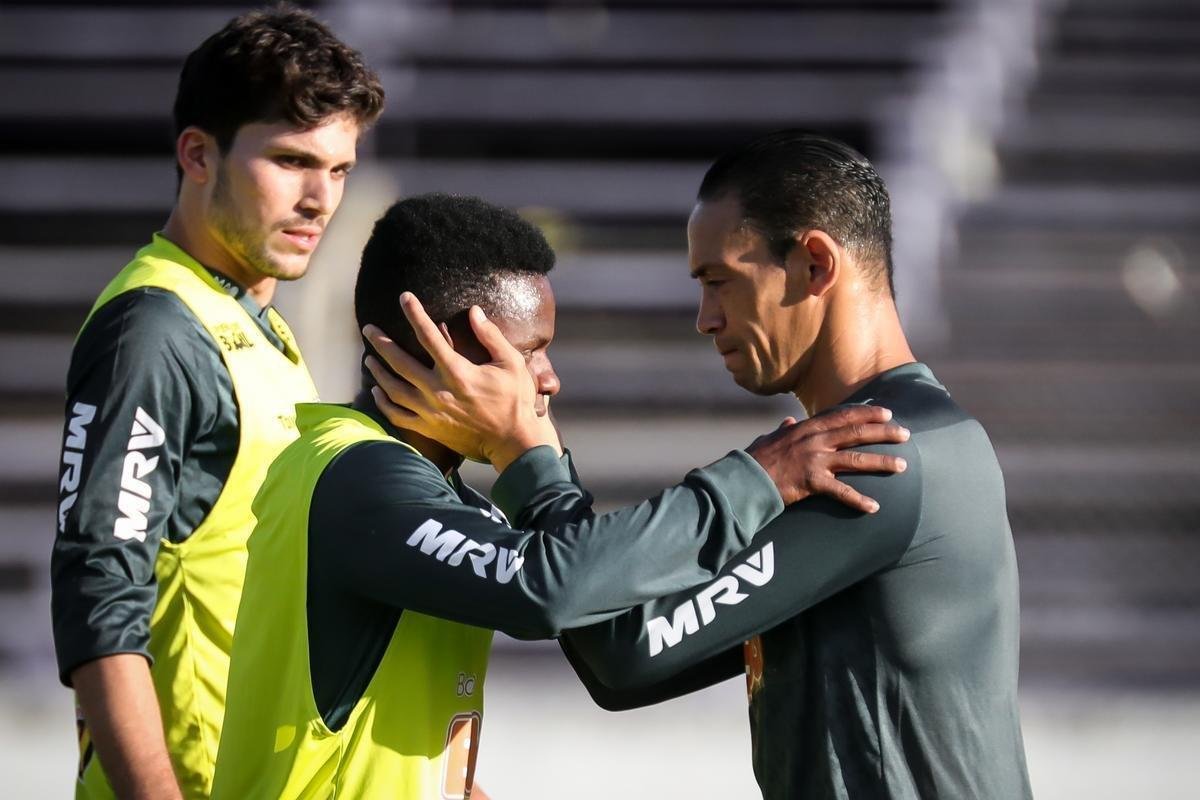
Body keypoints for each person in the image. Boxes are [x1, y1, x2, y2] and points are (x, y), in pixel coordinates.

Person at [372, 133, 1033, 799]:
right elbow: (627, 668)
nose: (704, 319)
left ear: (814, 264)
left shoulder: (880, 455)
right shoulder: (871, 443)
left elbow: (628, 650)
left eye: (719, 282)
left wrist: (530, 457)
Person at [209, 193, 909, 799]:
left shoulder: (446, 502)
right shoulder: (353, 478)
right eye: (529, 349)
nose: (549, 380)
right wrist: (754, 480)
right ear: (436, 346)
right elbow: (548, 588)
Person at [49, 8, 383, 798]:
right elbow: (100, 598)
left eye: (339, 170)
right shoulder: (154, 331)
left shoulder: (246, 317)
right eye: (292, 161)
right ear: (198, 155)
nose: (319, 199)